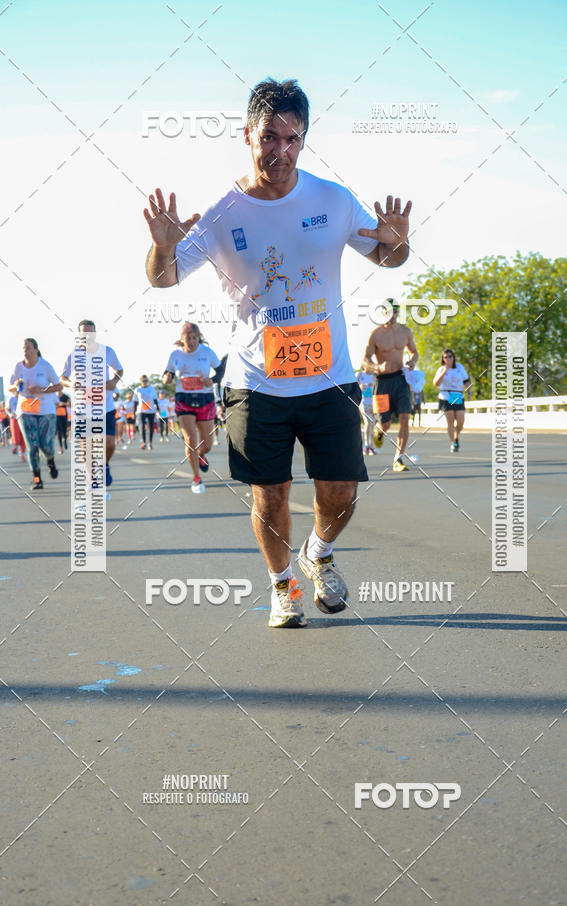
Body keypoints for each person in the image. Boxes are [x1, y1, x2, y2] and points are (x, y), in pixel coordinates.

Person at [144, 78, 412, 628]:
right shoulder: (222, 212)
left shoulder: (333, 199)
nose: (281, 151)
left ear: (305, 140)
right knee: (270, 496)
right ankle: (282, 586)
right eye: (270, 137)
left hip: (329, 378)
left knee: (341, 490)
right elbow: (164, 278)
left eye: (294, 139)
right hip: (255, 382)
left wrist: (399, 239)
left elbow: (387, 259)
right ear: (247, 135)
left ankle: (317, 552)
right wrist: (162, 245)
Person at [60, 320, 123, 490]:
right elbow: (62, 378)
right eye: (84, 334)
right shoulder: (73, 355)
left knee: (109, 443)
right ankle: (92, 478)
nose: (87, 336)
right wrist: (70, 383)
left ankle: (104, 465)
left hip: (105, 407)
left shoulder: (107, 352)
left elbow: (120, 369)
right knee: (85, 447)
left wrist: (113, 382)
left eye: (90, 333)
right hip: (82, 408)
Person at [162, 322, 220, 493]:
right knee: (190, 439)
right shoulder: (175, 355)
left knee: (207, 444)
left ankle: (201, 455)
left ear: (199, 338)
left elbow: (220, 370)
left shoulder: (207, 352)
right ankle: (196, 478)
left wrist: (213, 380)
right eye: (188, 339)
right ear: (182, 339)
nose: (192, 342)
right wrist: (167, 378)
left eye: (195, 338)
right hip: (183, 399)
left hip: (205, 399)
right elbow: (168, 373)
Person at [361, 299, 418, 472]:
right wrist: (377, 367)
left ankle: (398, 459)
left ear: (397, 312)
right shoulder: (376, 334)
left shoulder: (405, 332)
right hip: (382, 382)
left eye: (394, 311)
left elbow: (414, 351)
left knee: (404, 419)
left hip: (400, 380)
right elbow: (365, 361)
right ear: (383, 313)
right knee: (385, 425)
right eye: (387, 311)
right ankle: (379, 431)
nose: (391, 314)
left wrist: (413, 361)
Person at [8, 338, 62, 490]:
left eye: (28, 348)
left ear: (36, 350)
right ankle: (37, 479)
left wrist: (41, 390)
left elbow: (58, 385)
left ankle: (50, 461)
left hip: (46, 411)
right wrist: (15, 385)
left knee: (46, 445)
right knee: (32, 446)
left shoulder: (44, 366)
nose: (25, 351)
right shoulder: (18, 366)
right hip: (25, 410)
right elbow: (10, 388)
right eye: (23, 348)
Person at [433, 349, 472, 452]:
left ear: (453, 357)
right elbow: (436, 383)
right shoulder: (441, 369)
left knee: (460, 421)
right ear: (443, 359)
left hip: (457, 395)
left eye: (450, 356)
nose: (448, 358)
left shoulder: (459, 367)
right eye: (446, 357)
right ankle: (453, 443)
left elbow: (467, 381)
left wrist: (469, 392)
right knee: (450, 421)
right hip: (446, 395)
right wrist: (445, 371)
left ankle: (456, 435)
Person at [134, 374, 160, 450]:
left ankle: (150, 443)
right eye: (143, 381)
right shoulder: (138, 389)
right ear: (140, 381)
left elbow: (155, 399)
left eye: (146, 381)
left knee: (151, 427)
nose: (144, 382)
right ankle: (144, 442)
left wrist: (158, 408)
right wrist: (134, 412)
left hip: (151, 410)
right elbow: (135, 401)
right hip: (142, 411)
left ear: (147, 381)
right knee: (142, 427)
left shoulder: (151, 388)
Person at [356, 369, 376, 454]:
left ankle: (371, 446)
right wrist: (360, 387)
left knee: (372, 423)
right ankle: (366, 446)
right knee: (367, 422)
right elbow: (352, 386)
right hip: (363, 403)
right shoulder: (359, 374)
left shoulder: (374, 375)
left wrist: (373, 385)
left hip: (372, 403)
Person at [8, 389, 26, 461]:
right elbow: (7, 408)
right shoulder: (11, 399)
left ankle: (22, 454)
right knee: (16, 439)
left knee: (23, 438)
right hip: (14, 420)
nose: (18, 393)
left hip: (23, 419)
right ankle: (15, 445)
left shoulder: (24, 398)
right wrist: (9, 414)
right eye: (17, 391)